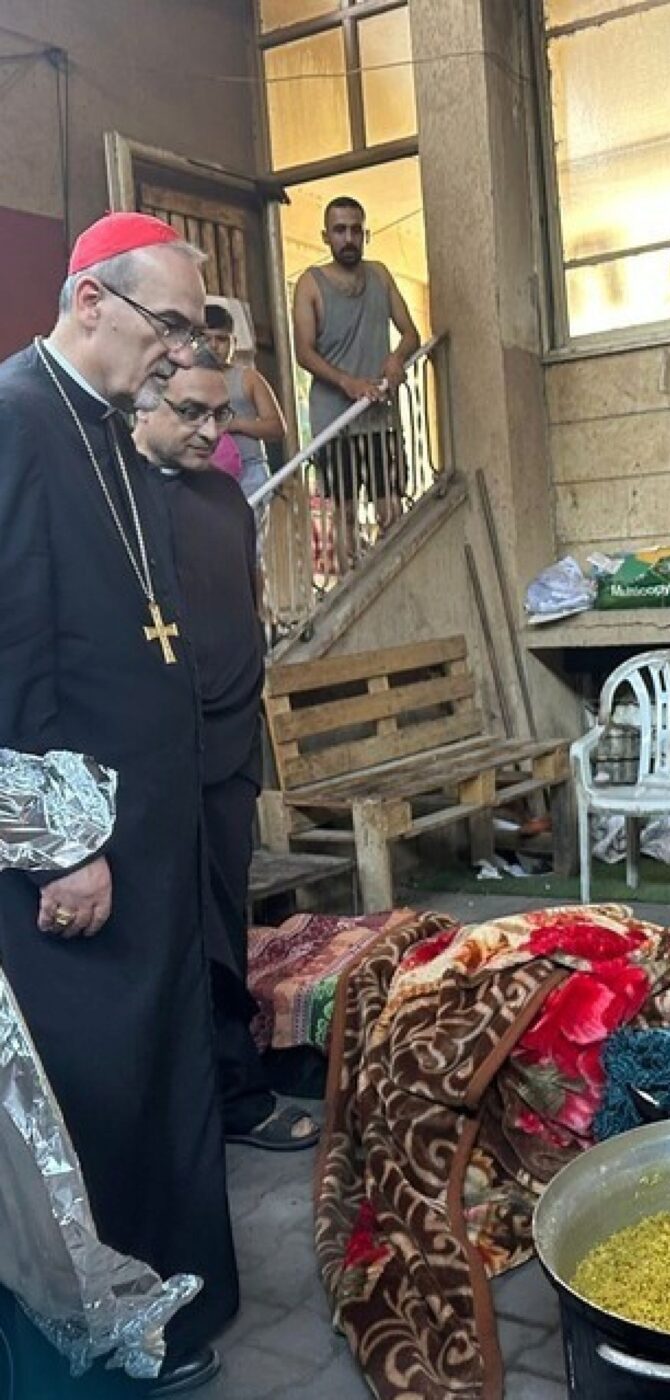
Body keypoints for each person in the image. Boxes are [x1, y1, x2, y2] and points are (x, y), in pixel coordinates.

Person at [0, 212, 237, 1394]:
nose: (177, 350)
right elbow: (11, 651)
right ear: (91, 300)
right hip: (81, 856)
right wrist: (59, 846)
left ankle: (179, 1307)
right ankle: (108, 1337)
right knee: (100, 1091)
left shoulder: (108, 427)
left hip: (151, 832)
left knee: (166, 1068)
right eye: (168, 323)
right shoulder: (14, 417)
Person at [133, 352, 319, 1155]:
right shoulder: (119, 500)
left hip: (232, 753)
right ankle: (211, 1100)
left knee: (222, 928)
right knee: (177, 937)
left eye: (221, 413)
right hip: (161, 758)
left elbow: (246, 602)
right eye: (192, 413)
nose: (214, 431)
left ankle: (234, 1092)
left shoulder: (224, 499)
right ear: (142, 405)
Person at [292, 196, 421, 574]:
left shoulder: (379, 275)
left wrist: (396, 358)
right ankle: (351, 581)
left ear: (365, 234)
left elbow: (410, 333)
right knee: (344, 511)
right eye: (339, 230)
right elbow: (304, 352)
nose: (348, 238)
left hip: (379, 416)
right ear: (326, 236)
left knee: (390, 507)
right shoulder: (311, 284)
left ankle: (393, 580)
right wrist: (345, 382)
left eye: (355, 230)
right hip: (335, 421)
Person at [202, 301, 286, 503]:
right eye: (206, 339)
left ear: (234, 342)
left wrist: (235, 424)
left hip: (249, 470)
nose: (214, 346)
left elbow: (277, 428)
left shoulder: (248, 378)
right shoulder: (185, 380)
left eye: (221, 339)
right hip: (205, 471)